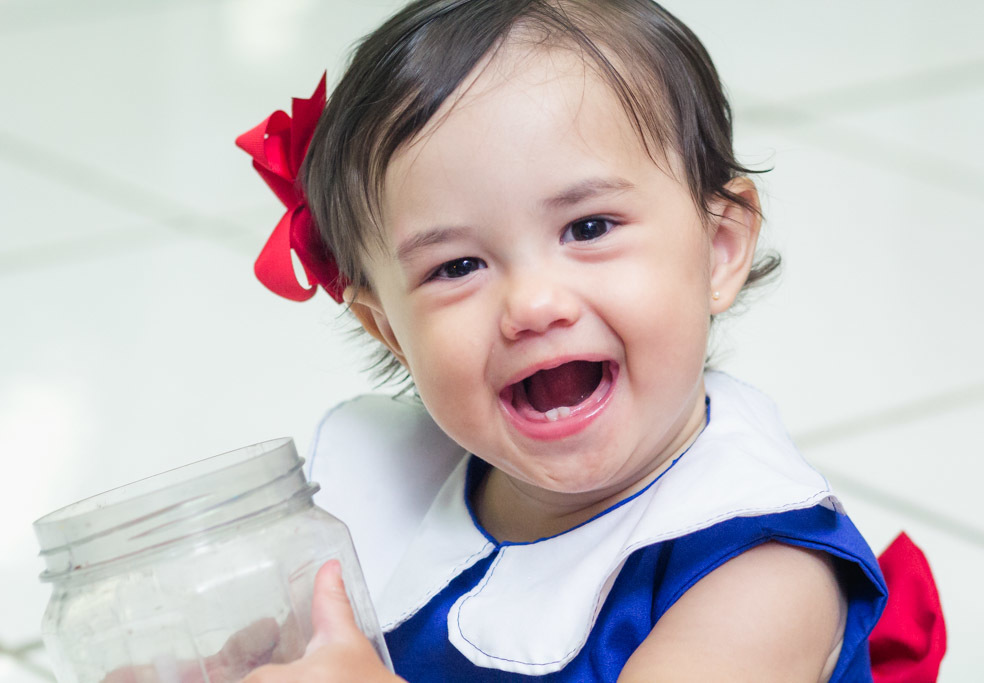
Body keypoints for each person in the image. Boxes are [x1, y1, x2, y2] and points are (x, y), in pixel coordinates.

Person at [235, 1, 895, 680]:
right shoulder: (388, 495)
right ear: (390, 332)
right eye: (457, 266)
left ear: (719, 249)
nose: (533, 304)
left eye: (588, 228)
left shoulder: (757, 574)